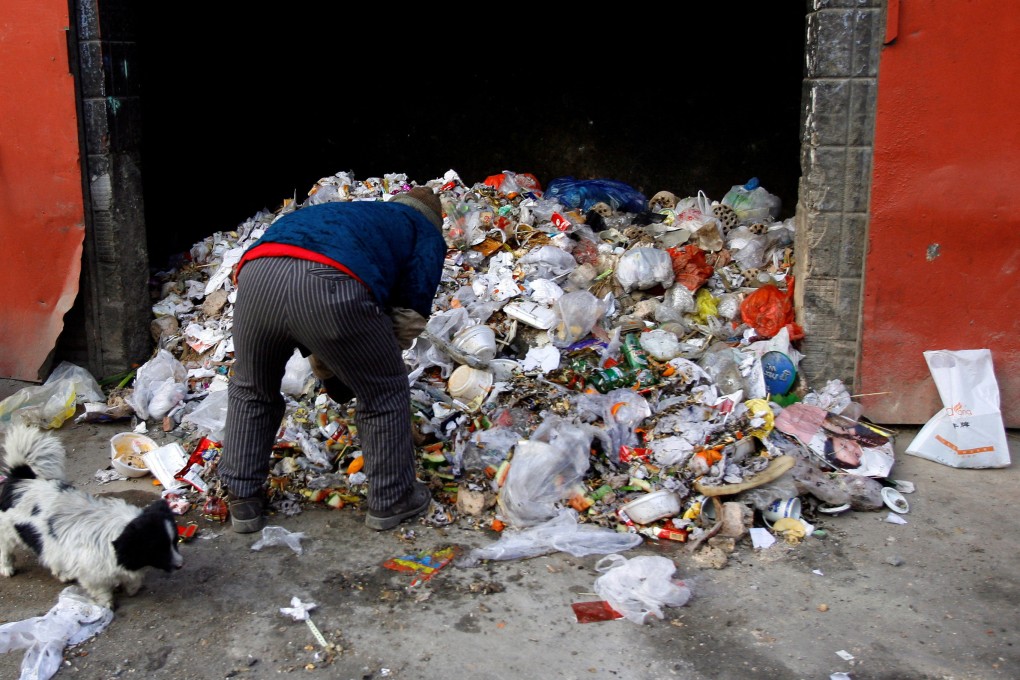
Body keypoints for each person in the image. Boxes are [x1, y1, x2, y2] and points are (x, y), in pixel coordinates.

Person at [218, 186, 447, 533]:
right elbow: (408, 314)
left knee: (252, 389)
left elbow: (298, 308)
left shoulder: (362, 216)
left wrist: (330, 359)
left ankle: (242, 498)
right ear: (435, 220)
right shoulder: (425, 232)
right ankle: (392, 499)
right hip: (328, 283)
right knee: (384, 392)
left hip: (256, 275)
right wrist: (373, 364)